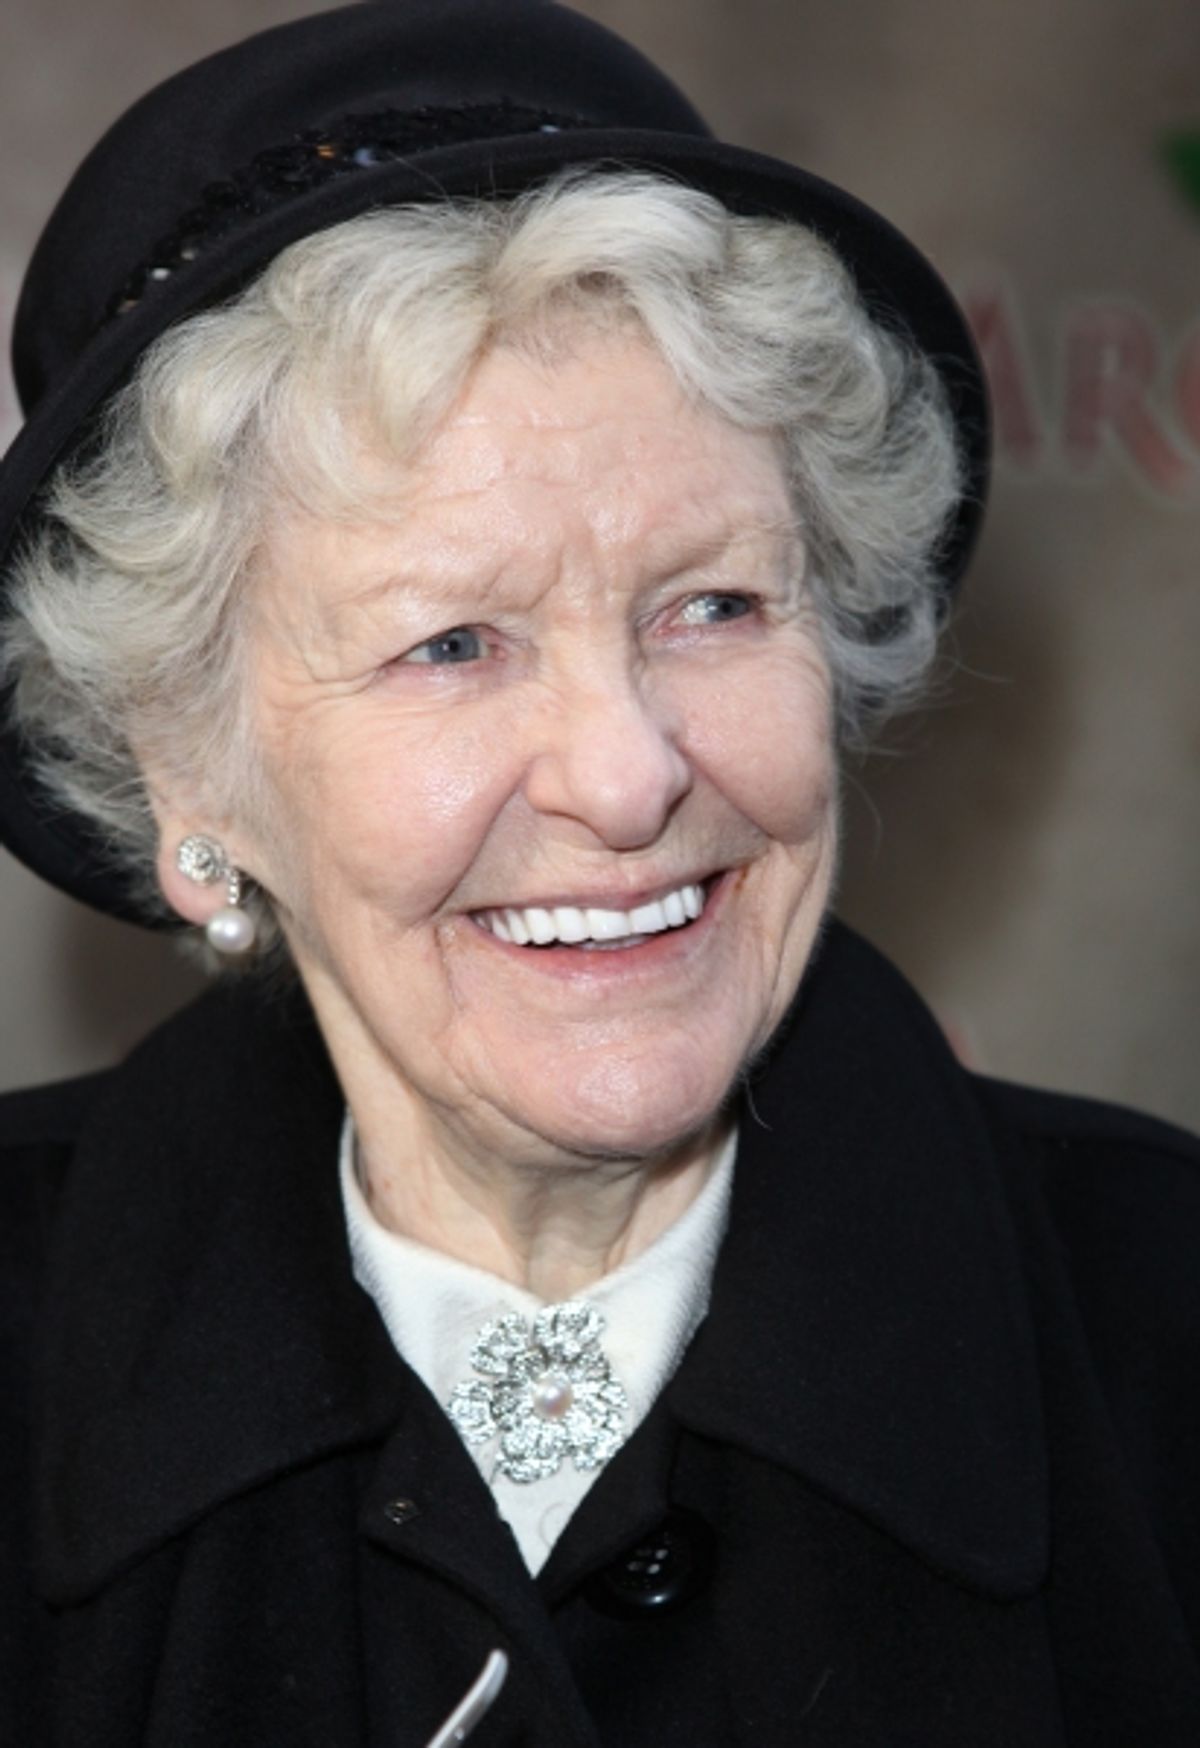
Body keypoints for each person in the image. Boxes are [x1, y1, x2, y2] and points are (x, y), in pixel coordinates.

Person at [0, 4, 1196, 1744]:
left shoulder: (1162, 1325)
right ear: (194, 769)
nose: (630, 775)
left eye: (712, 606)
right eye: (455, 644)